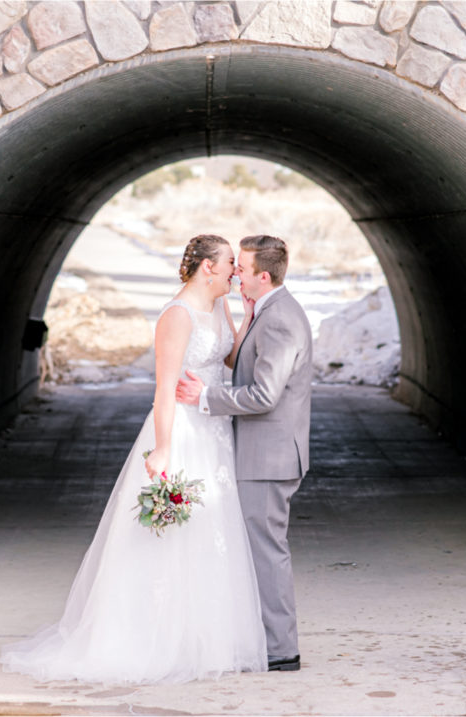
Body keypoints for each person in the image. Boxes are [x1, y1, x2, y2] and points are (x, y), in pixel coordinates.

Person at [0, 235, 266, 684]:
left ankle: (206, 639)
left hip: (215, 431)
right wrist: (162, 449)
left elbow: (231, 359)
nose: (235, 272)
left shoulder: (219, 306)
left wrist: (245, 315)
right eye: (229, 266)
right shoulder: (176, 317)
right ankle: (153, 638)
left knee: (212, 532)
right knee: (172, 535)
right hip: (182, 429)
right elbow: (164, 389)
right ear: (206, 268)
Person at [176, 235, 312, 673]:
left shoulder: (280, 319)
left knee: (266, 552)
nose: (236, 274)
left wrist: (206, 397)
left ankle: (281, 650)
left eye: (243, 268)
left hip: (269, 457)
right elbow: (245, 361)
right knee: (257, 549)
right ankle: (266, 641)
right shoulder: (266, 310)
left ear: (263, 276)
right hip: (262, 453)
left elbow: (264, 395)